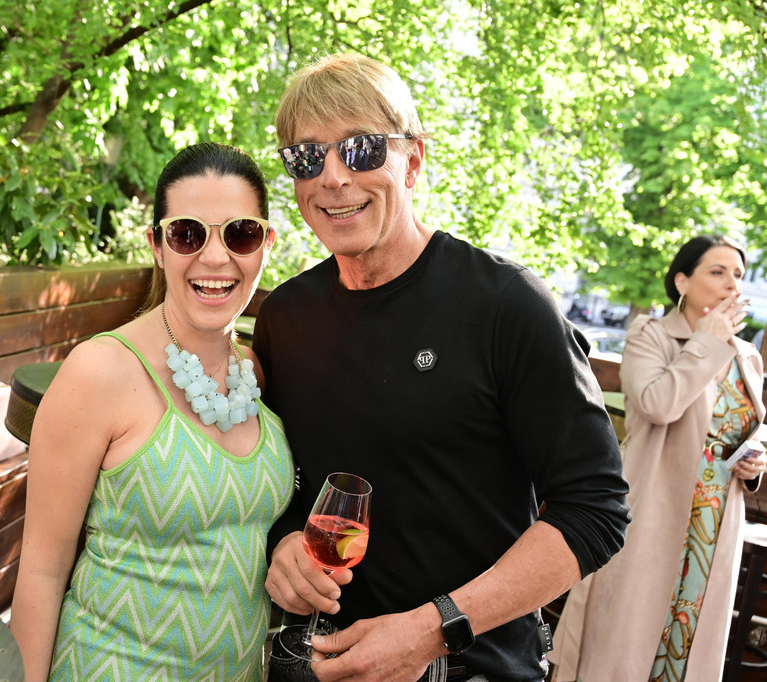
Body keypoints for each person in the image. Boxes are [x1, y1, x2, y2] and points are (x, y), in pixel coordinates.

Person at [253, 53, 631, 682]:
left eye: (362, 149)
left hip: (473, 665)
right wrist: (285, 542)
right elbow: (282, 479)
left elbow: (595, 509)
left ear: (413, 161)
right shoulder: (286, 317)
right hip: (321, 661)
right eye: (306, 157)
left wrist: (433, 628)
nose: (333, 177)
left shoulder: (506, 304)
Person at [9, 142, 295, 681]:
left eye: (240, 234)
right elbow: (42, 572)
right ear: (158, 247)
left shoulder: (252, 373)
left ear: (266, 245)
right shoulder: (100, 371)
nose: (215, 257)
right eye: (188, 234)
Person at [551, 235, 766, 680]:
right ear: (682, 281)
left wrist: (753, 467)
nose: (732, 284)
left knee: (689, 639)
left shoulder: (747, 356)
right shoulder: (650, 335)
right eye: (717, 272)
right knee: (625, 637)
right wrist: (705, 343)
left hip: (714, 523)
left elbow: (744, 432)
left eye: (738, 275)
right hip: (653, 507)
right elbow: (656, 405)